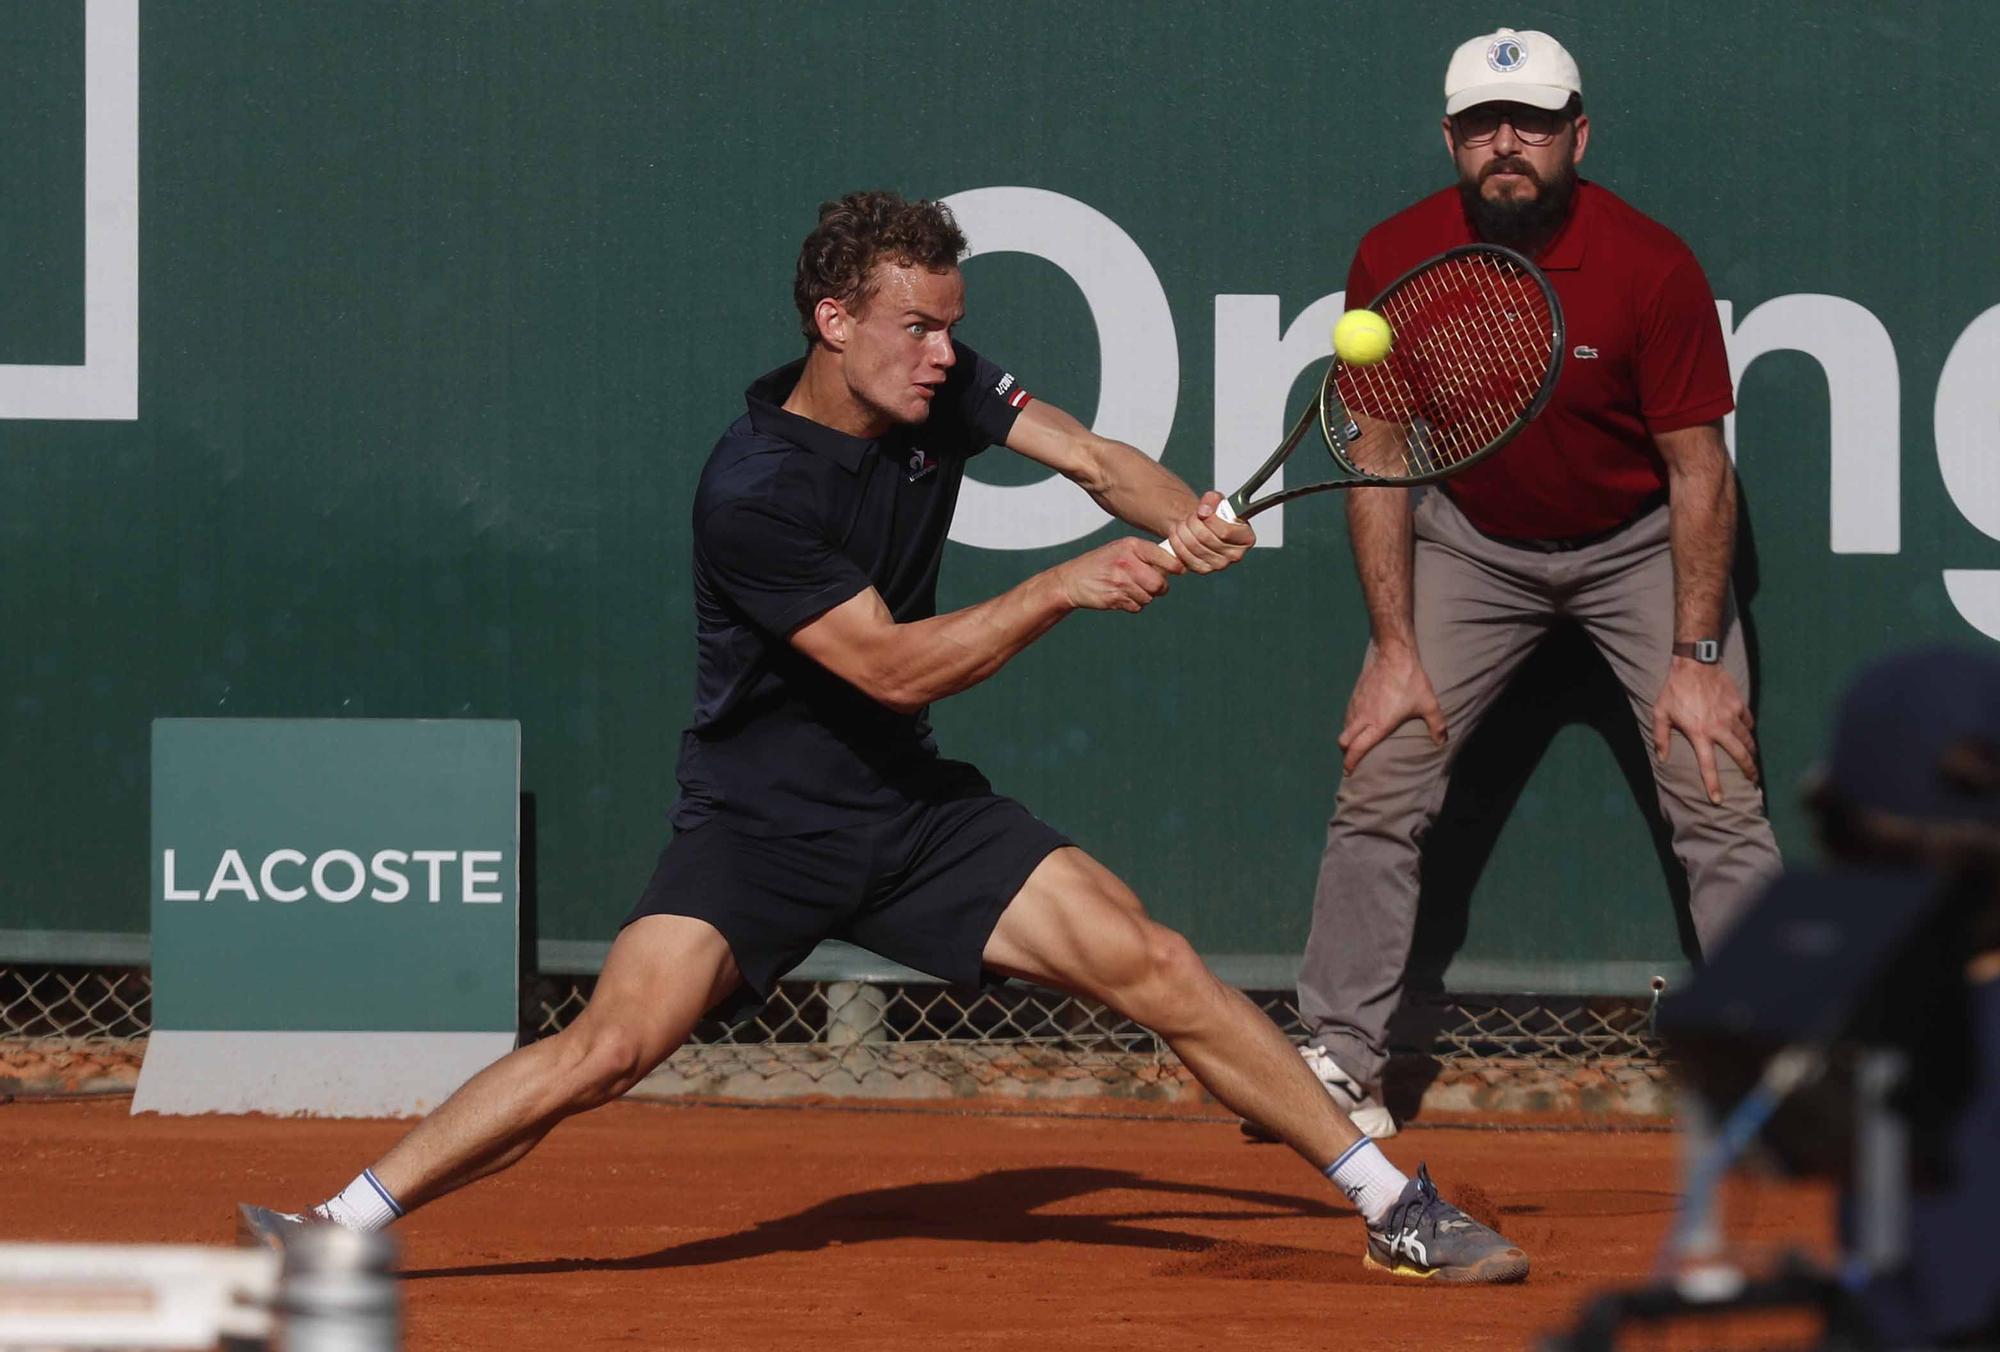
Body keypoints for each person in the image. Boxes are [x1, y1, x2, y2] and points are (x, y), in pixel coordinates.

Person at [242, 191, 1528, 1283]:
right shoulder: (753, 490)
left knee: (1153, 960)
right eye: (915, 328)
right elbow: (892, 665)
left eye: (949, 328)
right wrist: (1060, 585)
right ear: (833, 320)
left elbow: (1084, 453)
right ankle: (335, 1227)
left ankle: (1390, 1204)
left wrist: (1186, 513)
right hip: (761, 825)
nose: (941, 356)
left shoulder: (940, 384)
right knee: (607, 1047)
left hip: (910, 818)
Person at [1289, 28, 1783, 1138]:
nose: (1504, 144)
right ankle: (1336, 1059)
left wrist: (1697, 660)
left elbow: (1696, 471)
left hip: (1638, 544)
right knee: (1383, 767)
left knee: (1713, 781)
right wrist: (1393, 645)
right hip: (1470, 540)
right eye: (1479, 125)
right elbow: (1377, 455)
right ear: (1449, 137)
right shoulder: (1393, 255)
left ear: (1577, 134)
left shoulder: (1651, 264)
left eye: (1532, 123)